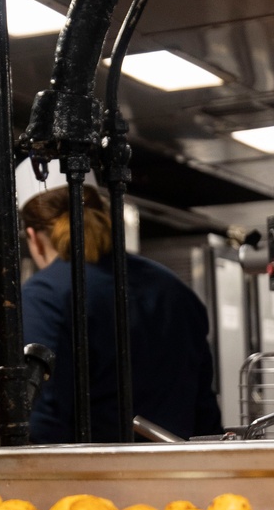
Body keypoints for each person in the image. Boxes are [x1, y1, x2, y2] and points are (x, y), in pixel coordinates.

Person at [17, 162, 222, 443]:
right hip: (184, 473)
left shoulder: (43, 295)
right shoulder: (173, 287)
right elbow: (205, 409)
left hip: (99, 480)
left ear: (33, 239)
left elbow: (42, 416)